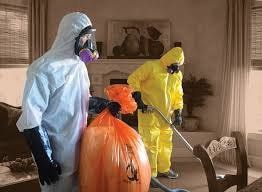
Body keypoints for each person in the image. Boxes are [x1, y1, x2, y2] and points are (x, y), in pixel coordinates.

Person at [16, 12, 120, 192]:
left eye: (89, 38)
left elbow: (81, 100)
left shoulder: (79, 66)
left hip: (80, 145)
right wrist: (44, 158)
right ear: (70, 37)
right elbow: (30, 118)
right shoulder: (42, 69)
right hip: (57, 151)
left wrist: (104, 105)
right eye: (84, 38)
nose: (88, 44)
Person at [127, 47, 184, 183]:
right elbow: (133, 79)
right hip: (150, 112)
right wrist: (139, 100)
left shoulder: (176, 75)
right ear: (167, 61)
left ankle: (164, 169)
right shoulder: (151, 67)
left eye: (177, 67)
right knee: (150, 144)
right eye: (172, 66)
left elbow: (178, 94)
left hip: (166, 115)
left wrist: (178, 113)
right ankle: (150, 174)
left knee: (165, 144)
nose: (174, 70)